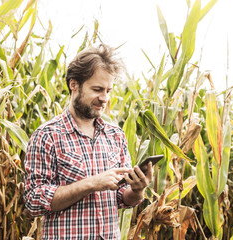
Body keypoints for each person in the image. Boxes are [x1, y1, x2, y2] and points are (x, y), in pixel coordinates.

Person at [23, 44, 153, 239]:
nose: (104, 98)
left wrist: (138, 189)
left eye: (108, 90)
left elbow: (122, 198)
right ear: (74, 84)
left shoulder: (115, 135)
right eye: (97, 89)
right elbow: (34, 201)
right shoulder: (47, 135)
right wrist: (91, 183)